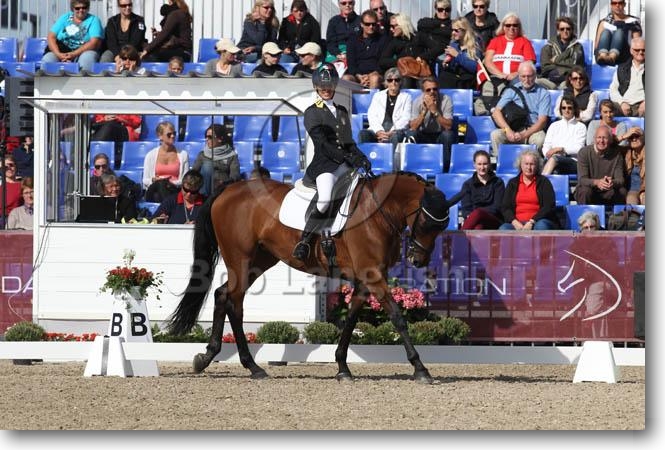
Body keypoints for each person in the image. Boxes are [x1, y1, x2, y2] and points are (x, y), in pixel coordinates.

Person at [292, 63, 371, 261]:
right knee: (326, 198)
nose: (326, 89)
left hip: (345, 164)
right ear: (316, 87)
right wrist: (346, 157)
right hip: (325, 165)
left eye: (329, 85)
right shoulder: (312, 112)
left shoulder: (342, 111)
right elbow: (322, 144)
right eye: (322, 86)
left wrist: (360, 156)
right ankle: (305, 240)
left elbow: (348, 141)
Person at [490, 61, 551, 156]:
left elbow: (542, 121)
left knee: (540, 139)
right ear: (519, 76)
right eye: (523, 76)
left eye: (529, 76)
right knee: (496, 135)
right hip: (513, 128)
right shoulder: (511, 90)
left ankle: (535, 163)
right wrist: (508, 130)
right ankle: (502, 162)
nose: (526, 79)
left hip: (533, 130)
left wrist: (524, 135)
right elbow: (496, 112)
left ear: (535, 76)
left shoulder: (543, 93)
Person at [499, 148, 559, 230]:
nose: (529, 167)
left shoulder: (544, 182)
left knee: (541, 226)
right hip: (517, 223)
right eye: (526, 164)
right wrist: (514, 222)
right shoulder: (512, 183)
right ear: (520, 165)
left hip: (538, 221)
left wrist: (532, 221)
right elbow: (505, 207)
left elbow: (548, 206)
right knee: (504, 229)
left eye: (532, 164)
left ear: (537, 166)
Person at [408, 77, 456, 171]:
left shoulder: (446, 100)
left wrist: (434, 111)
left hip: (440, 135)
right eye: (428, 90)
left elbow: (448, 126)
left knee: (448, 135)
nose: (432, 92)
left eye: (435, 89)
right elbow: (413, 127)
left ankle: (445, 169)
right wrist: (424, 111)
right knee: (411, 134)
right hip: (423, 135)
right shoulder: (417, 102)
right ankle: (412, 167)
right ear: (423, 91)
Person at [41, 0, 103, 72]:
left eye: (84, 7)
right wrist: (58, 54)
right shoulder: (64, 18)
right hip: (62, 51)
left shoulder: (94, 20)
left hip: (84, 52)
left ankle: (83, 78)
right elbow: (51, 36)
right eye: (77, 8)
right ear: (72, 8)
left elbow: (94, 42)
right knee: (48, 59)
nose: (81, 10)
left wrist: (74, 54)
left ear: (88, 8)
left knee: (87, 59)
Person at [358, 67, 412, 148]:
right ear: (386, 82)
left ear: (400, 82)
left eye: (396, 80)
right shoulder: (378, 96)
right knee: (363, 134)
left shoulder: (407, 97)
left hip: (395, 131)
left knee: (396, 136)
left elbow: (406, 118)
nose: (393, 82)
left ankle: (393, 156)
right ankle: (364, 156)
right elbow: (372, 115)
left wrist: (391, 132)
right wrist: (379, 131)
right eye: (390, 80)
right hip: (378, 130)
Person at [575, 125, 626, 205]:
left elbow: (620, 180)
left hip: (607, 191)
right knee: (585, 191)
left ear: (610, 140)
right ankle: (584, 212)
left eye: (605, 138)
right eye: (599, 137)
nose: (601, 141)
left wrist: (612, 182)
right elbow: (582, 179)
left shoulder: (617, 155)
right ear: (594, 139)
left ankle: (618, 213)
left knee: (621, 191)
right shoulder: (584, 152)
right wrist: (597, 182)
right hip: (590, 189)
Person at [142, 121, 189, 202]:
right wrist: (153, 180)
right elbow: (145, 180)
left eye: (174, 133)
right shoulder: (150, 155)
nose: (173, 136)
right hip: (154, 190)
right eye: (169, 134)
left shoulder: (183, 154)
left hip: (174, 189)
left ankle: (165, 206)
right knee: (160, 185)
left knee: (163, 187)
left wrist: (170, 183)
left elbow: (185, 180)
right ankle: (167, 206)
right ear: (160, 136)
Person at [457, 150, 505, 230]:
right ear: (474, 165)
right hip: (475, 219)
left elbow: (497, 207)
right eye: (479, 164)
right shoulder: (467, 185)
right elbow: (466, 209)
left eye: (485, 164)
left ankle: (459, 236)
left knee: (478, 213)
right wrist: (473, 216)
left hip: (494, 219)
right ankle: (463, 237)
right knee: (478, 227)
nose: (482, 168)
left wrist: (478, 213)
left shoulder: (498, 183)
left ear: (489, 164)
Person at [482, 12, 535, 84]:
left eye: (515, 25)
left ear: (519, 27)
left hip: (518, 78)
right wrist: (501, 75)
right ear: (503, 27)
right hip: (496, 77)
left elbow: (529, 63)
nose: (511, 28)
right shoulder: (495, 41)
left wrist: (516, 74)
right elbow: (488, 62)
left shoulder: (525, 42)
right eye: (508, 25)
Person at [342, 9, 388, 89]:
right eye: (367, 24)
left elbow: (383, 62)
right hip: (357, 75)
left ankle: (372, 97)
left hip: (375, 74)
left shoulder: (382, 40)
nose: (371, 27)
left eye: (373, 24)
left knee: (374, 78)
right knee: (346, 79)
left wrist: (371, 75)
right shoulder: (353, 40)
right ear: (362, 24)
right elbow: (351, 62)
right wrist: (358, 76)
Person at [541, 95, 587, 175]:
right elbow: (546, 145)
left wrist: (561, 149)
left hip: (572, 161)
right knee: (554, 169)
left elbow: (579, 148)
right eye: (564, 108)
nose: (566, 110)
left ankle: (541, 182)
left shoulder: (581, 126)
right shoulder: (554, 125)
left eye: (570, 108)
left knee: (554, 159)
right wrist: (548, 154)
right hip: (553, 159)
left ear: (574, 109)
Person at [191, 123, 241, 196]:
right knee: (208, 165)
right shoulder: (202, 154)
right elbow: (193, 173)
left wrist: (223, 182)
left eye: (210, 137)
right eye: (206, 137)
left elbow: (235, 176)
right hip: (204, 190)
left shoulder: (231, 156)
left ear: (220, 139)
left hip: (222, 190)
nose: (207, 139)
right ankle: (204, 198)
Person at [537, 16, 586, 90]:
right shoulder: (548, 47)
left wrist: (556, 60)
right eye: (562, 29)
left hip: (569, 79)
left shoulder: (578, 47)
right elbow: (545, 68)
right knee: (536, 82)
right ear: (558, 30)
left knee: (565, 86)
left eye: (568, 29)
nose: (565, 31)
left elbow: (575, 64)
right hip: (550, 80)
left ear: (572, 30)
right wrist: (563, 69)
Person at [378, 14, 421, 89]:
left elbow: (437, 48)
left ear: (402, 25)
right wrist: (400, 62)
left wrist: (423, 57)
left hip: (419, 70)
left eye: (393, 26)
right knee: (405, 79)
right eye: (390, 26)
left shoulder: (418, 38)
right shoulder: (395, 42)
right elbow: (383, 61)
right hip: (404, 72)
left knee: (424, 81)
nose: (391, 29)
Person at [437, 17, 481, 89]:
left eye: (456, 30)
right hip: (455, 77)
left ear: (465, 30)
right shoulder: (454, 44)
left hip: (469, 79)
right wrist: (447, 64)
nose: (453, 33)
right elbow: (452, 67)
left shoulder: (474, 45)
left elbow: (475, 67)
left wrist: (457, 55)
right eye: (452, 30)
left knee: (465, 79)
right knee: (443, 76)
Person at [594, 0, 642, 66]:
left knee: (619, 32)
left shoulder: (633, 22)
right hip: (602, 55)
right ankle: (603, 56)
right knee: (606, 32)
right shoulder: (604, 22)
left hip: (624, 55)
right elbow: (596, 45)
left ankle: (612, 57)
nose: (617, 5)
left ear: (624, 4)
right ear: (611, 5)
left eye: (620, 3)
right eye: (614, 3)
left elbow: (637, 43)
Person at [608, 37, 645, 118]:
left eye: (643, 50)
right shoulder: (622, 68)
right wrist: (622, 103)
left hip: (642, 105)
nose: (641, 52)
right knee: (605, 106)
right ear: (631, 51)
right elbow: (613, 89)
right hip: (624, 105)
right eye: (637, 50)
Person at [415, 0, 453, 67]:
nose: (444, 12)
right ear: (436, 10)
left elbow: (447, 33)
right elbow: (420, 24)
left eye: (447, 9)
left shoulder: (453, 24)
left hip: (440, 53)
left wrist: (431, 29)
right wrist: (439, 24)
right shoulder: (430, 21)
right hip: (425, 52)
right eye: (440, 10)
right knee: (420, 35)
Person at [325, 0, 361, 64]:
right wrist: (338, 54)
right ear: (339, 5)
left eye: (350, 3)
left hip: (355, 52)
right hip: (337, 52)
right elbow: (330, 42)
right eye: (344, 3)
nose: (347, 5)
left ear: (354, 3)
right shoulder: (333, 21)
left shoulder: (361, 20)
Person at [623, 127, 645, 205]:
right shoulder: (626, 152)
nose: (634, 139)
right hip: (633, 189)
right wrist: (624, 136)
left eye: (637, 136)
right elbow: (609, 145)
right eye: (631, 137)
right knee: (631, 201)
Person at [0, 155, 23, 228]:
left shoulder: (22, 185)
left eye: (11, 165)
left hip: (16, 220)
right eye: (5, 166)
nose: (9, 168)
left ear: (16, 167)